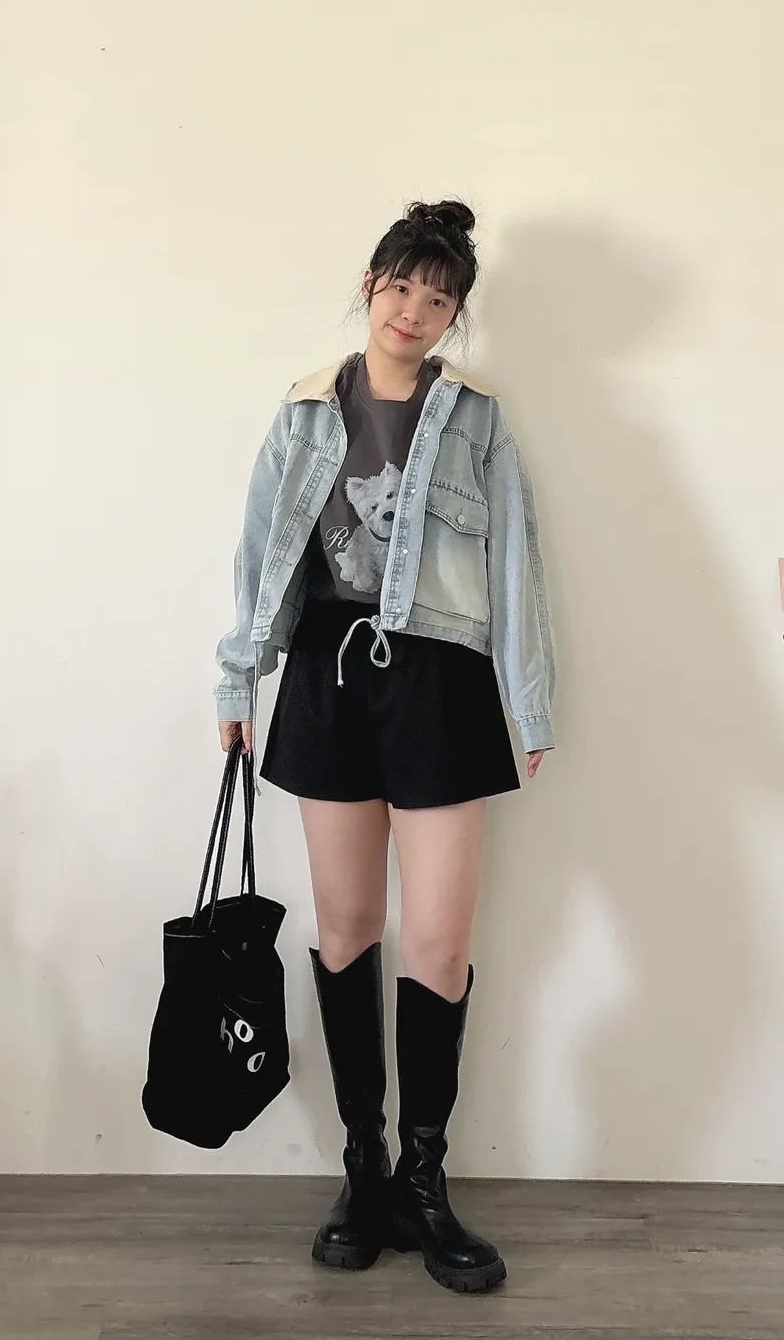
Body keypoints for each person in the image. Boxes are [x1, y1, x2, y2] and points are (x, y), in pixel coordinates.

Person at [214, 199, 556, 1295]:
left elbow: (515, 562)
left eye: (438, 297)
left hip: (442, 680)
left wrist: (529, 705)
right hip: (325, 675)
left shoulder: (479, 420)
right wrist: (238, 675)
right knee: (347, 928)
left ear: (455, 315)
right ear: (370, 285)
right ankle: (362, 1168)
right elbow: (263, 550)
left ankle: (424, 1178)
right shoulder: (306, 411)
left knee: (439, 944)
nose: (414, 309)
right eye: (401, 285)